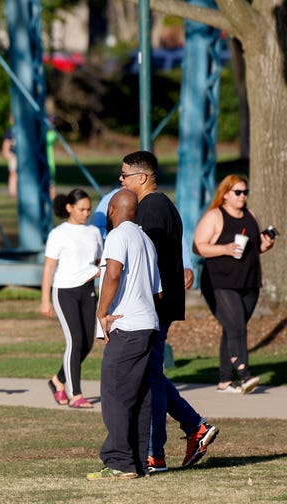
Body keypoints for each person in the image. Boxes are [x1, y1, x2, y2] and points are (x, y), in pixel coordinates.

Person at [121, 150, 218, 471]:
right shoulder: (160, 205)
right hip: (159, 303)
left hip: (155, 305)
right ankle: (193, 427)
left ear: (142, 177)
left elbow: (151, 262)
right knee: (152, 375)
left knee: (149, 378)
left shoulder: (151, 209)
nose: (121, 182)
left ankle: (155, 452)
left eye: (124, 176)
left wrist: (143, 300)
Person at [89, 189, 160, 480]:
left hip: (126, 325)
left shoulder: (118, 236)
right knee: (140, 395)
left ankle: (119, 461)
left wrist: (101, 312)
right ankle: (138, 462)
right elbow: (158, 291)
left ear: (113, 210)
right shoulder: (146, 240)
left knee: (115, 394)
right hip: (148, 323)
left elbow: (113, 273)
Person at [192, 175, 277, 393]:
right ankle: (244, 374)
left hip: (249, 281)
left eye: (245, 192)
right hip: (220, 281)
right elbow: (198, 247)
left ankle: (224, 380)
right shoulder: (215, 216)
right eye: (238, 192)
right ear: (226, 194)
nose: (242, 196)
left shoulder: (251, 215)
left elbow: (255, 247)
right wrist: (225, 249)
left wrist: (266, 244)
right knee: (236, 326)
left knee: (234, 328)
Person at [40, 188, 102, 409]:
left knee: (86, 343)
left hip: (88, 292)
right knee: (75, 340)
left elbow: (98, 261)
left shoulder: (94, 231)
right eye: (81, 209)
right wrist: (45, 300)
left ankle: (58, 380)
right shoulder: (58, 234)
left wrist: (97, 270)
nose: (86, 213)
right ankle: (75, 394)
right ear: (69, 208)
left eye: (88, 209)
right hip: (64, 291)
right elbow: (49, 267)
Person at [2, 127, 18, 198]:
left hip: (24, 156)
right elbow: (6, 143)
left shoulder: (26, 128)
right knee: (13, 174)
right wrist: (7, 153)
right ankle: (12, 192)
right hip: (13, 156)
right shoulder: (10, 131)